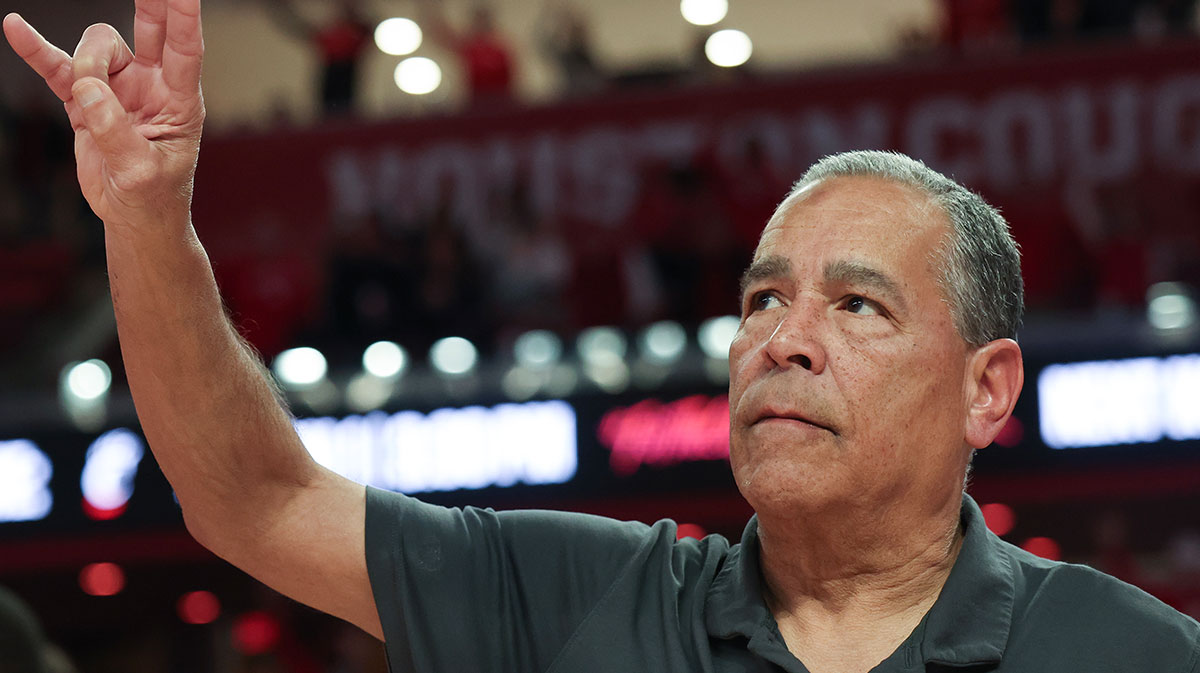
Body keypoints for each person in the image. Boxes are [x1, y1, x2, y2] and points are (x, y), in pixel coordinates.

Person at [3, 3, 1198, 672]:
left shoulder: (1127, 654)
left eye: (857, 305)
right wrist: (151, 222)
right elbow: (252, 499)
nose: (782, 339)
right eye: (761, 300)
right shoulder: (580, 600)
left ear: (988, 391)